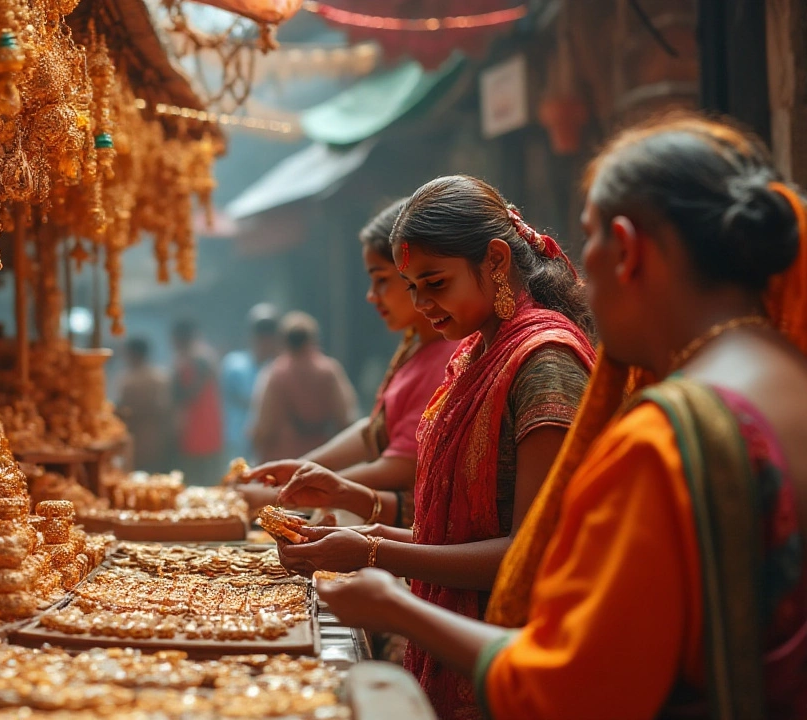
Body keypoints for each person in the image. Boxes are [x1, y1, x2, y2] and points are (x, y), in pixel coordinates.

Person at [315, 116, 807, 719]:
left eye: (588, 238)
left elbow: (570, 683)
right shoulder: (786, 376)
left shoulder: (666, 434)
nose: (572, 263)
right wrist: (372, 537)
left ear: (625, 248)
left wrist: (393, 605)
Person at [276, 175, 597, 719]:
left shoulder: (545, 362)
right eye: (411, 285)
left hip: (515, 661)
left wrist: (375, 553)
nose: (421, 303)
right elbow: (463, 532)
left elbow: (528, 553)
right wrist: (367, 532)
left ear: (495, 260)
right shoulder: (472, 354)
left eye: (435, 283)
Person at [240, 199, 456, 530]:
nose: (371, 295)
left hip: (406, 526)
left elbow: (404, 460)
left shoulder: (448, 355)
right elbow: (373, 430)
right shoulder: (413, 348)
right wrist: (302, 470)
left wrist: (311, 486)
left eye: (382, 279)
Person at [249, 311, 359, 463]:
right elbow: (346, 420)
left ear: (283, 341)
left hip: (281, 465)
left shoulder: (275, 374)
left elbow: (263, 429)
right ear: (314, 340)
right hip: (319, 465)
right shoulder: (329, 372)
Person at [220, 305, 280, 461]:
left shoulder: (281, 369)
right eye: (260, 332)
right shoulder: (234, 365)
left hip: (271, 446)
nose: (265, 338)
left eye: (269, 333)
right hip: (238, 443)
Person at [169, 318, 225, 484]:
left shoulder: (196, 359)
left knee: (201, 479)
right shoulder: (201, 357)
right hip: (202, 430)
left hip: (198, 429)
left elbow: (187, 394)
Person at [115, 337, 172, 472]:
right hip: (153, 437)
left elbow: (122, 409)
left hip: (143, 435)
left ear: (133, 354)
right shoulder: (160, 377)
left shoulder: (127, 380)